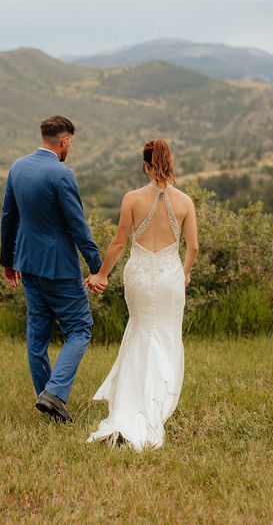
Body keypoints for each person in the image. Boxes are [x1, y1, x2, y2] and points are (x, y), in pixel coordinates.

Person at [85, 139, 198, 450]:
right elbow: (195, 247)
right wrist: (185, 272)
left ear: (146, 165)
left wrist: (100, 275)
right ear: (170, 163)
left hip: (138, 275)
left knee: (139, 331)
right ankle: (157, 402)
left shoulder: (132, 199)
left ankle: (131, 403)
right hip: (170, 277)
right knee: (164, 335)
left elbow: (119, 243)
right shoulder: (185, 202)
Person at [0, 115, 103, 423]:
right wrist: (98, 268)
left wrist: (8, 260)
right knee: (80, 327)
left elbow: (8, 217)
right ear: (64, 141)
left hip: (28, 265)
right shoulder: (62, 174)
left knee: (37, 335)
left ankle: (46, 398)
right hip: (59, 268)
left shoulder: (18, 167)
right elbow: (78, 227)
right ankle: (55, 393)